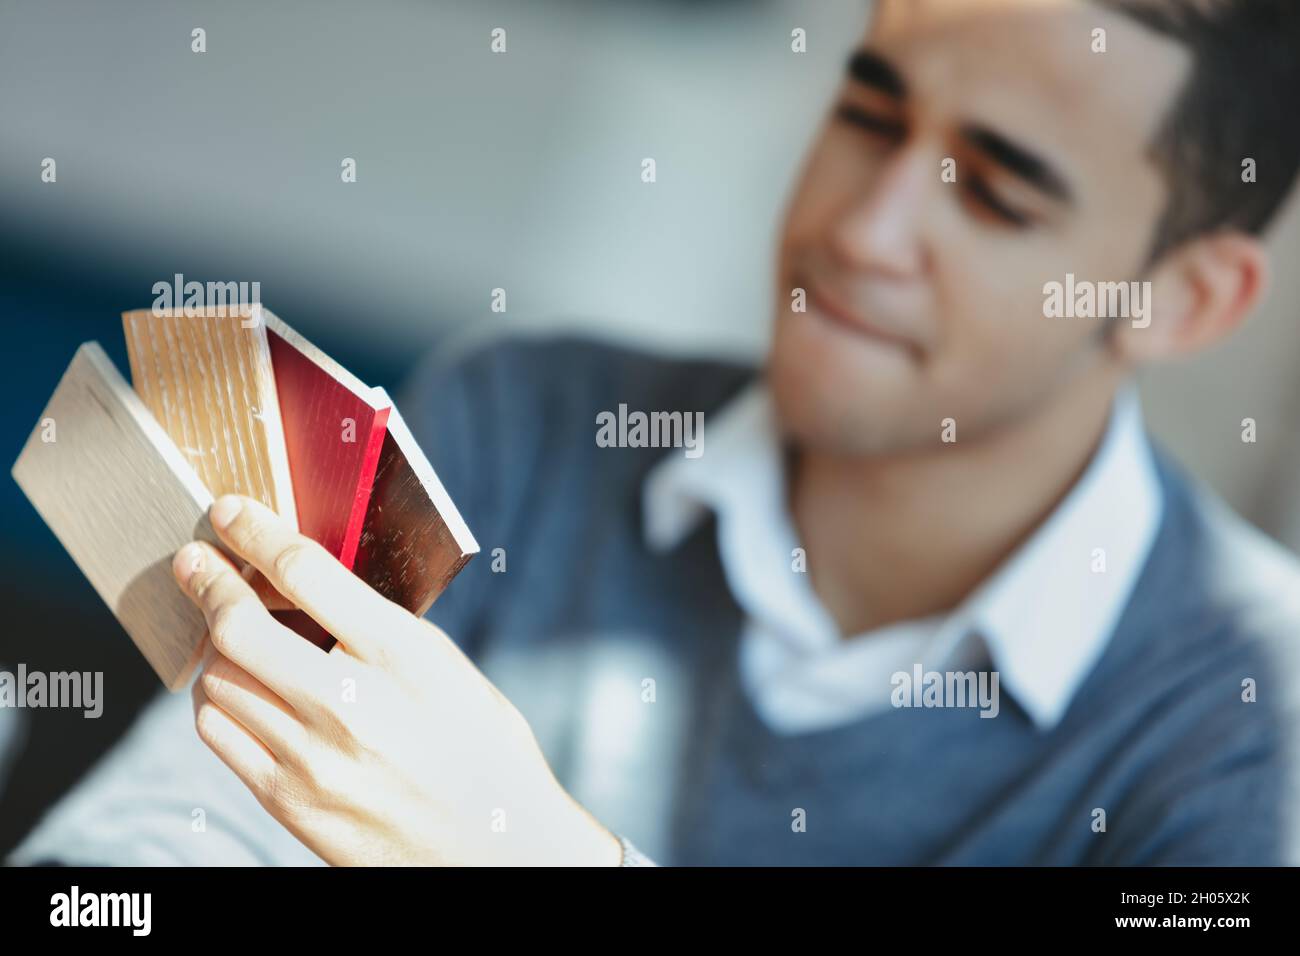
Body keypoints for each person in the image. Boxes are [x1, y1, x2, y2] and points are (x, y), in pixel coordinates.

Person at [11, 0, 1300, 866]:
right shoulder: (522, 425)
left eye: (996, 192)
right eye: (869, 113)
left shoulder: (1248, 713)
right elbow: (144, 847)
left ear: (1179, 299)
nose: (864, 229)